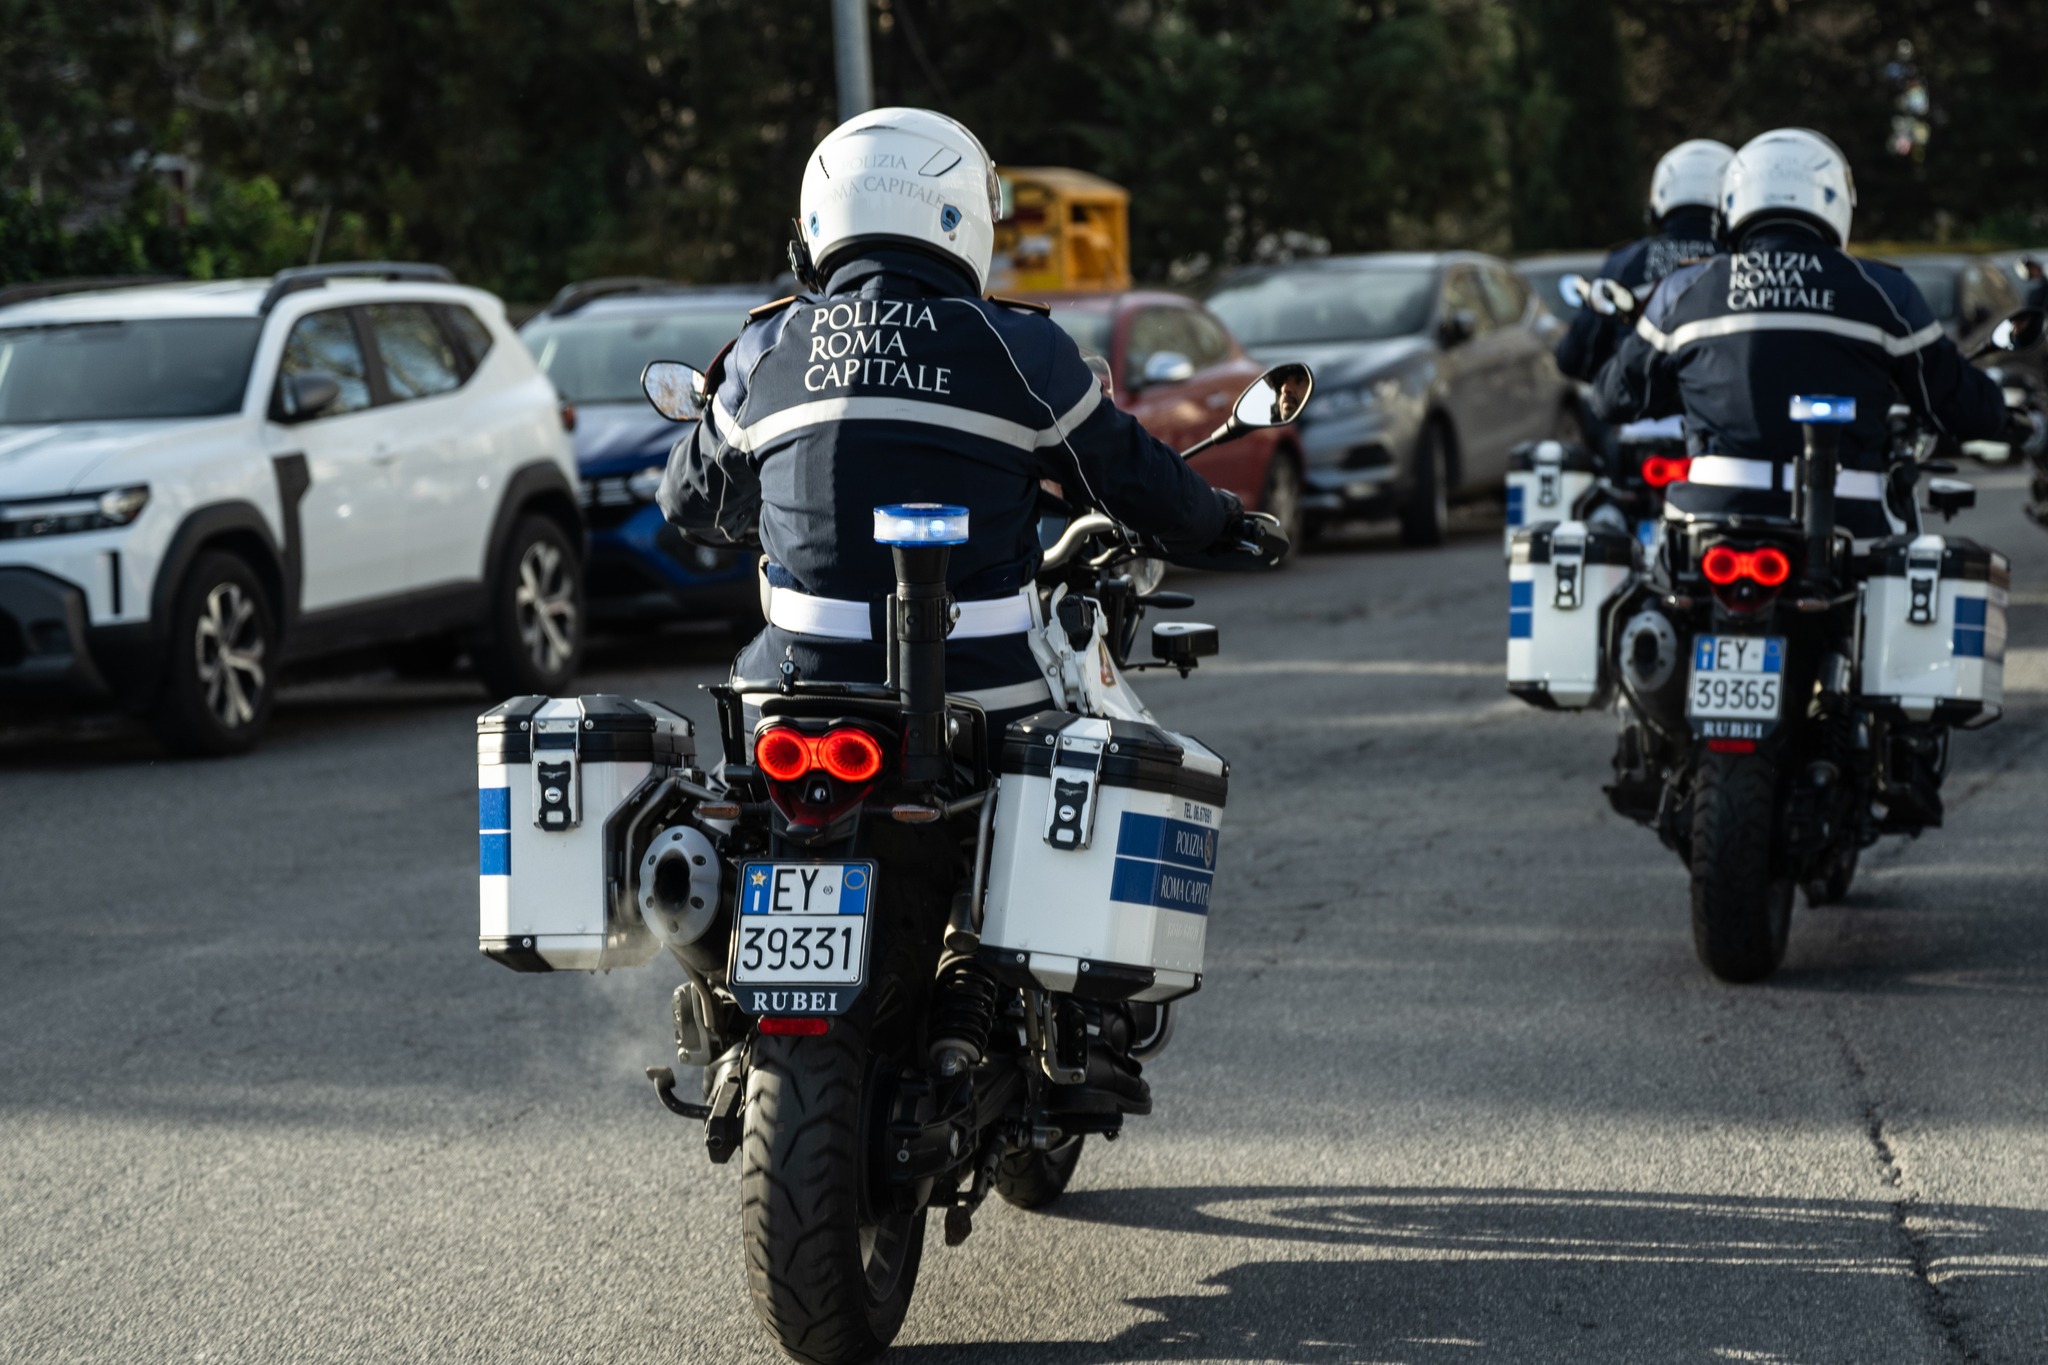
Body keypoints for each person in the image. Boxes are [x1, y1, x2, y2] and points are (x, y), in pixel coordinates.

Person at [658, 108, 1256, 724]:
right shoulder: (1022, 349)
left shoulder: (766, 348)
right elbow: (1133, 476)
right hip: (984, 691)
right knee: (1110, 772)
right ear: (963, 218)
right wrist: (1219, 520)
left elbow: (687, 498)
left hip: (791, 694)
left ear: (815, 224)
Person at [1593, 127, 2009, 540]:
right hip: (1849, 519)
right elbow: (1957, 401)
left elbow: (1614, 397)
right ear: (1837, 203)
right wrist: (2007, 417)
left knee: (1658, 597)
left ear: (1734, 202)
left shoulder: (1685, 290)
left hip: (1709, 518)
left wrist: (1688, 389)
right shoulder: (1883, 290)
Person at [1554, 139, 1733, 384]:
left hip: (1642, 412)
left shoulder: (1626, 262)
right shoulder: (1748, 261)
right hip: (1730, 413)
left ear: (1661, 193)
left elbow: (1573, 359)